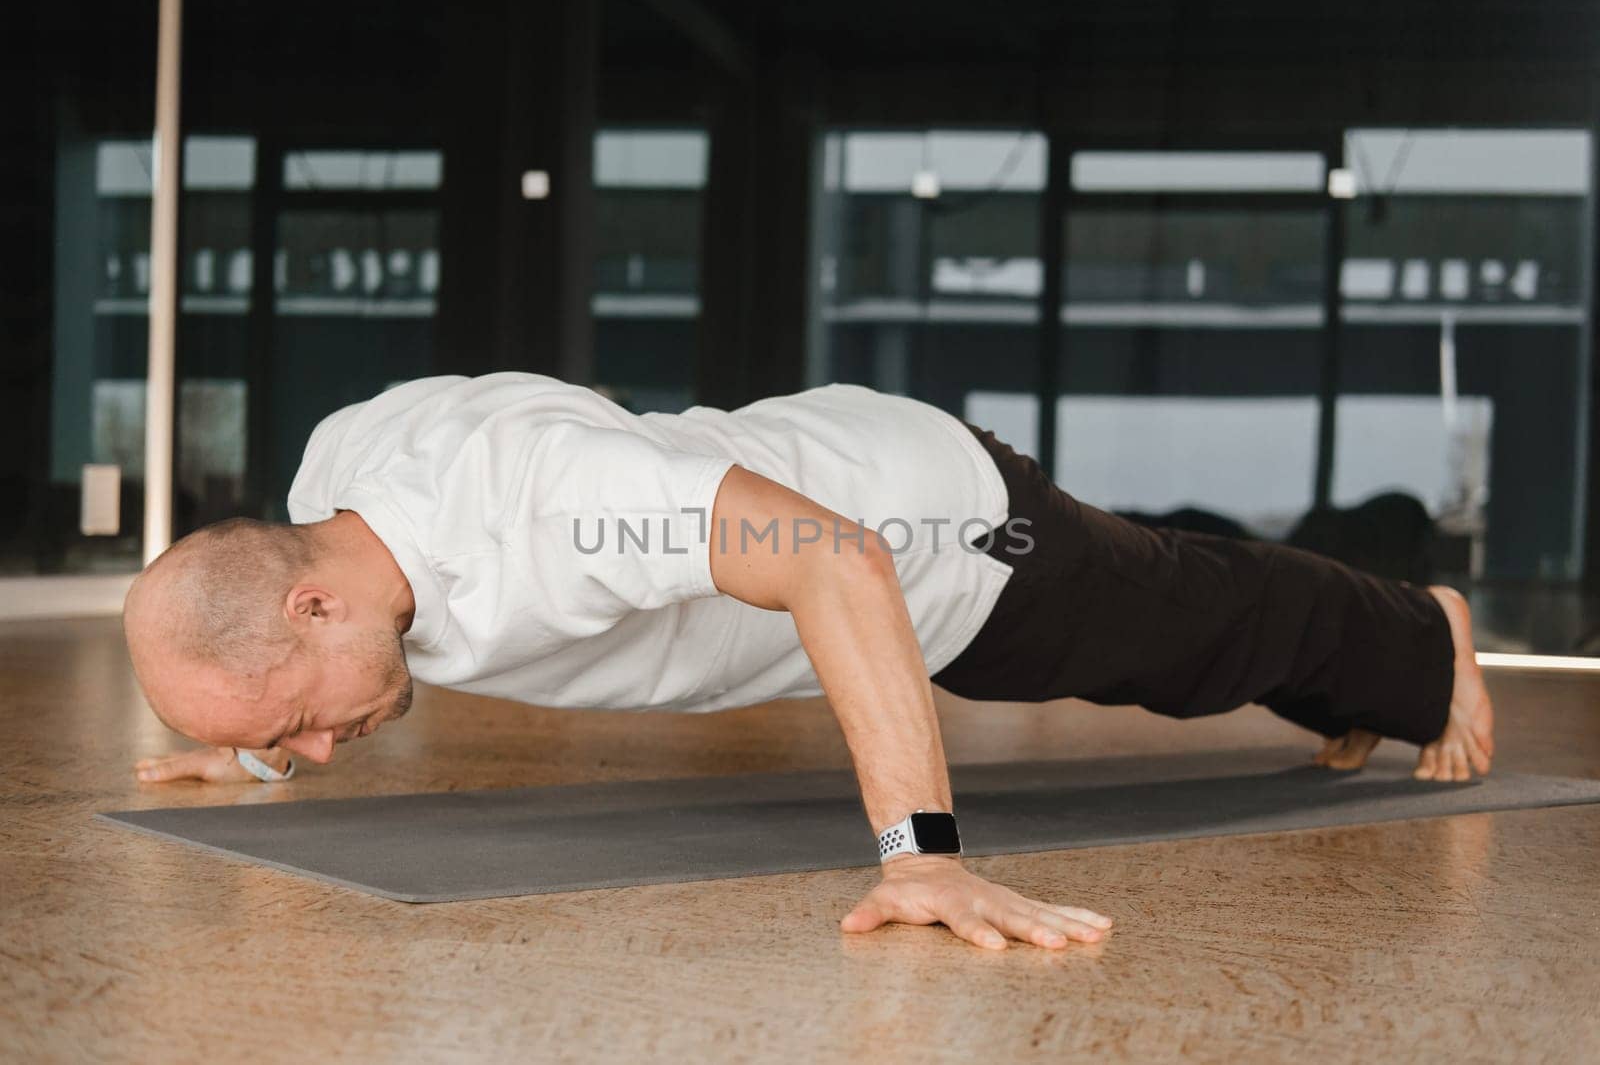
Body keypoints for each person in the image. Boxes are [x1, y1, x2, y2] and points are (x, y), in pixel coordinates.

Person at [123, 373, 1495, 952]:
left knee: (1196, 635)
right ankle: (1353, 684)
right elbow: (270, 652)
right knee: (1196, 633)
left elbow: (841, 561)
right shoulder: (329, 486)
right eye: (285, 740)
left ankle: (1426, 635)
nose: (311, 752)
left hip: (946, 531)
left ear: (311, 612)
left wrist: (921, 854)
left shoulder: (547, 504)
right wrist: (235, 738)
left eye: (299, 725)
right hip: (832, 475)